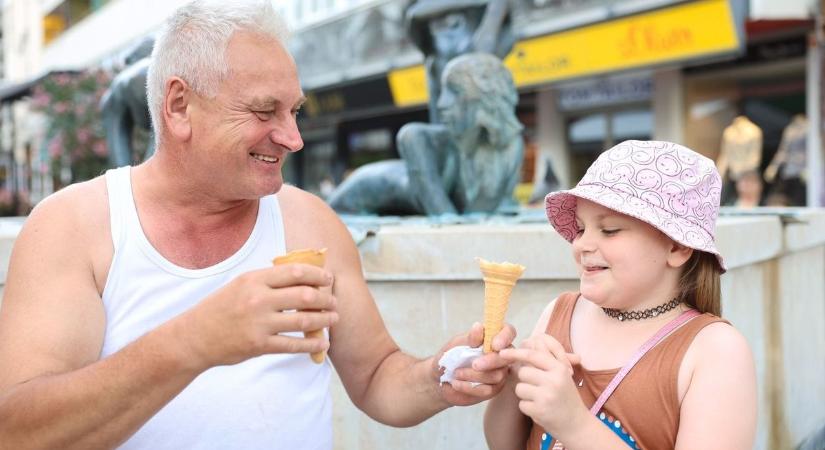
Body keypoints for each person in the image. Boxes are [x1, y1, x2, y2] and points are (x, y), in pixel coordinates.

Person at [0, 2, 515, 449]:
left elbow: (378, 377)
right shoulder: (74, 227)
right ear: (180, 106)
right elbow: (19, 432)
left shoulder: (308, 221)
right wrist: (195, 340)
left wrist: (439, 376)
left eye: (293, 111)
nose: (293, 139)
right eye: (265, 111)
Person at [485, 140, 757, 449]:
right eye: (580, 228)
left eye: (610, 230)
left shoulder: (715, 350)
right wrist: (512, 381)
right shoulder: (558, 313)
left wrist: (574, 424)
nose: (581, 245)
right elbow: (503, 443)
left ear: (677, 246)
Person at [329, 52, 523, 215]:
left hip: (398, 211)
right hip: (350, 203)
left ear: (484, 98)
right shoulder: (417, 137)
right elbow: (445, 217)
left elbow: (488, 209)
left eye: (454, 92)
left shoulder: (510, 146)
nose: (442, 104)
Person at [405, 0, 514, 124]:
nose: (448, 38)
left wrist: (489, 29)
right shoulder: (436, 64)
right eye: (438, 27)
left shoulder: (479, 52)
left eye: (454, 24)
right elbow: (414, 14)